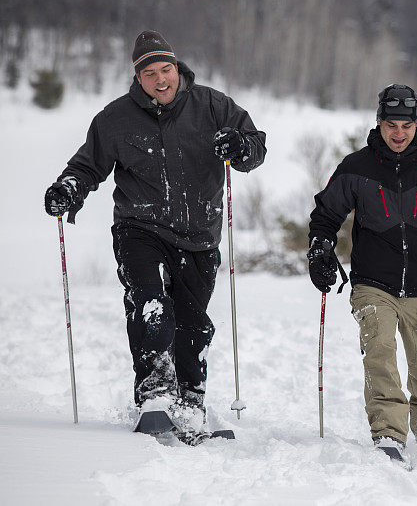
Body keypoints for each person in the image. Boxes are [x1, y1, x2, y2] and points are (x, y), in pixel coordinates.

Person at [43, 31, 267, 434]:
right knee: (152, 308)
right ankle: (155, 394)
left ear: (177, 68)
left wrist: (240, 146)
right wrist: (67, 189)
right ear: (137, 76)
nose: (161, 79)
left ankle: (190, 401)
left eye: (166, 69)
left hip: (199, 231)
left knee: (192, 323)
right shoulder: (115, 118)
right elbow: (87, 166)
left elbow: (255, 146)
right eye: (150, 73)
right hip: (139, 227)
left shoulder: (213, 106)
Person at [307, 84, 417, 456]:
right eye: (391, 125)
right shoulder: (357, 167)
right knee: (380, 350)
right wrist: (320, 249)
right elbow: (325, 215)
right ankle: (388, 433)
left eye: (406, 125)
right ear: (379, 123)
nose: (399, 133)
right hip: (374, 283)